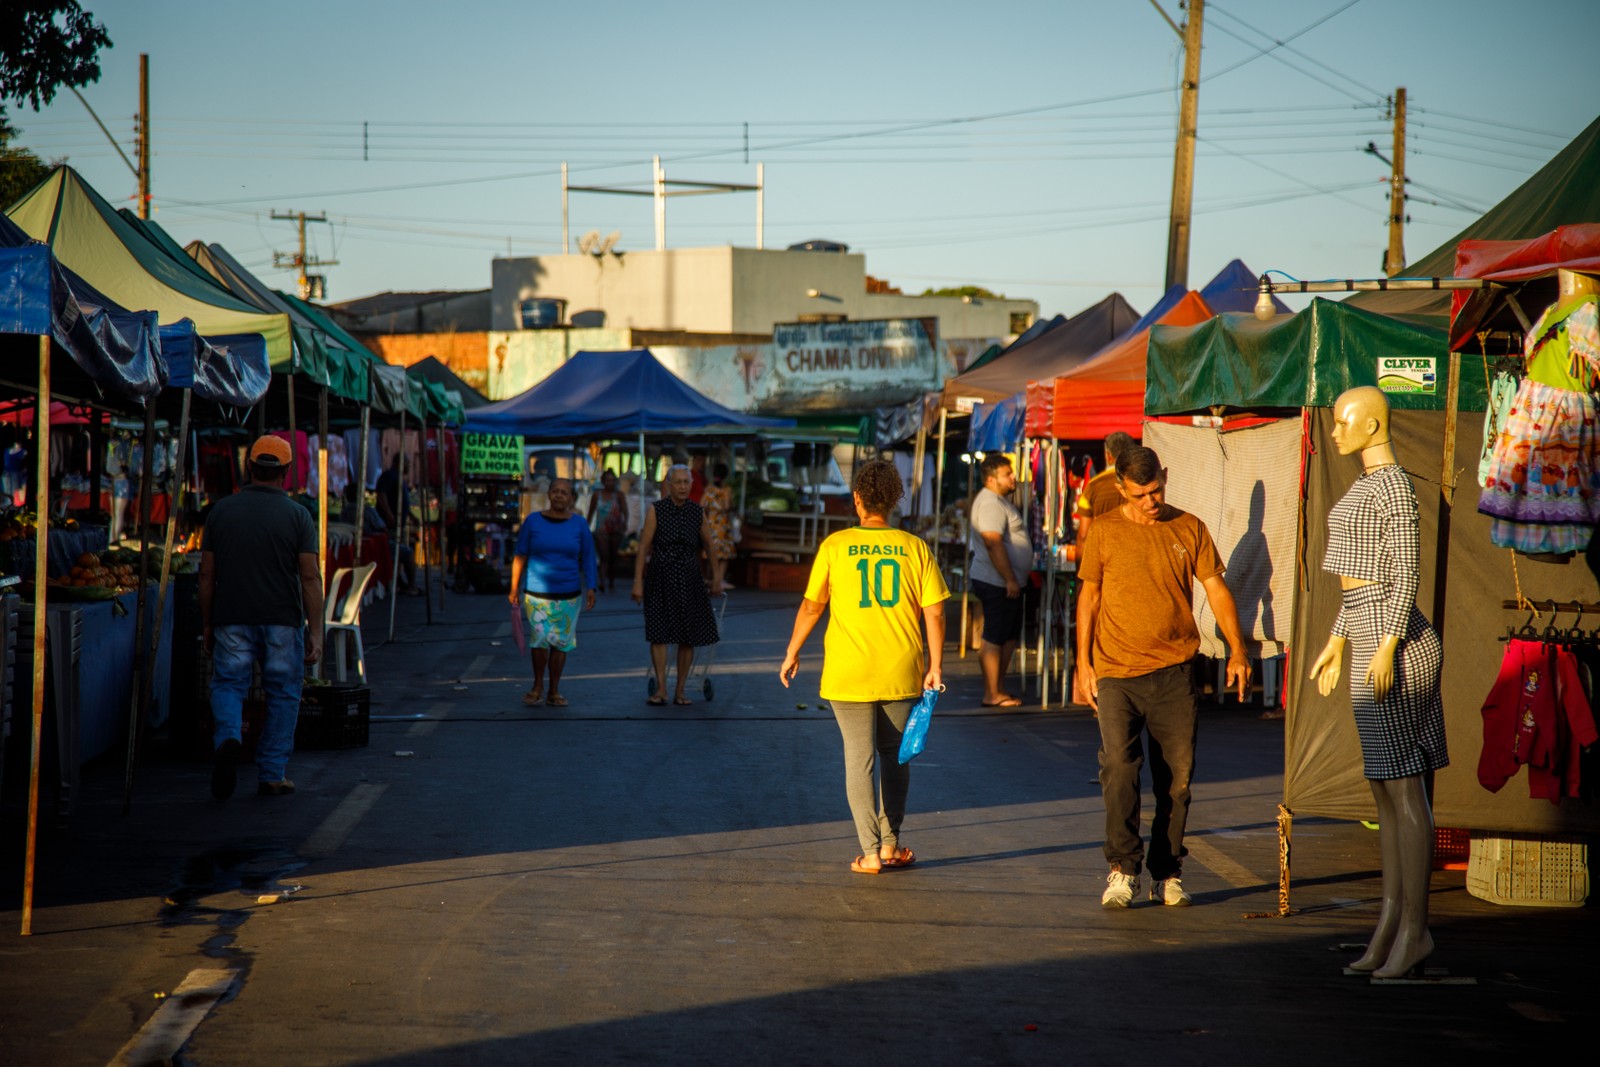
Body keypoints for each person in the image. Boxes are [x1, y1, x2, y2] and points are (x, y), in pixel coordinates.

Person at [1309, 386, 1447, 978]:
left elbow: (1406, 570)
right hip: (1367, 635)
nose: (1335, 432)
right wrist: (1340, 639)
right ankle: (1391, 922)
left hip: (1395, 643)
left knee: (1404, 788)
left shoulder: (1394, 487)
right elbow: (1360, 583)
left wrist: (1387, 641)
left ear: (1371, 425)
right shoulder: (1368, 486)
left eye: (1344, 422)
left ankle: (1414, 930)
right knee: (1383, 790)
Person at [1077, 444, 1250, 908]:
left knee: (1177, 780)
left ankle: (1166, 872)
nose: (1150, 501)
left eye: (1156, 490)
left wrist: (1237, 650)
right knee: (1119, 769)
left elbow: (1216, 589)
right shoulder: (1105, 531)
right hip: (1117, 673)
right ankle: (1122, 869)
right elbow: (1089, 597)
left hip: (1174, 673)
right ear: (1121, 489)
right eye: (1139, 495)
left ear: (1165, 477)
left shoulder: (1189, 527)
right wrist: (1082, 663)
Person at [780, 459, 948, 874]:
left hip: (847, 670)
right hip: (900, 669)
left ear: (857, 500)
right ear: (895, 501)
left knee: (859, 759)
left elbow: (811, 605)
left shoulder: (835, 547)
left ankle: (869, 853)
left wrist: (792, 651)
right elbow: (936, 613)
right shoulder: (915, 548)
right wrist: (936, 665)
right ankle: (891, 845)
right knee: (896, 757)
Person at [199, 435, 325, 799]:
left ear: (249, 467)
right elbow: (309, 577)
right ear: (286, 472)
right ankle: (271, 774)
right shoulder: (298, 516)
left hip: (232, 617)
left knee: (228, 685)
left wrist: (208, 622)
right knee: (283, 694)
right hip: (282, 621)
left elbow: (207, 575)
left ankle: (228, 738)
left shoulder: (221, 511)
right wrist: (316, 630)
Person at [633, 464, 721, 705]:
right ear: (669, 485)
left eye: (686, 482)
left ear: (691, 485)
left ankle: (680, 690)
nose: (683, 486)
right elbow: (643, 548)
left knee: (687, 636)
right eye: (678, 482)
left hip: (689, 578)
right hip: (660, 576)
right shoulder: (657, 510)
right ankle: (661, 688)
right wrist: (637, 583)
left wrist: (717, 577)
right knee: (659, 634)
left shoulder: (696, 511)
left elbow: (711, 546)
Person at [510, 477, 598, 708]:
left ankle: (554, 689)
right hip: (536, 593)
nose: (560, 495)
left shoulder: (579, 525)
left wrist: (591, 587)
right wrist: (513, 588)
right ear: (549, 494)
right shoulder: (532, 521)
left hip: (569, 594)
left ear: (571, 498)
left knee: (561, 643)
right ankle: (537, 685)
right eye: (556, 491)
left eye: (565, 492)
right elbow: (520, 555)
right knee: (539, 641)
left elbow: (588, 558)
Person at [969, 453, 1031, 707]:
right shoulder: (991, 503)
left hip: (1004, 580)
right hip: (997, 581)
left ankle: (999, 688)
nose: (1013, 477)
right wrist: (1009, 579)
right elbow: (993, 542)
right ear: (992, 479)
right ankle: (992, 692)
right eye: (1007, 474)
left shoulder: (998, 501)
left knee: (1007, 635)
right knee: (995, 634)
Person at [1074, 431, 1136, 547]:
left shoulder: (1093, 486)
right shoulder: (1142, 483)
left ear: (1108, 456)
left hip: (1104, 558)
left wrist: (1080, 564)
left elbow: (1083, 536)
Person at [375, 453, 422, 596]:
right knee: (400, 553)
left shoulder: (399, 479)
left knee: (398, 555)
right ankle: (409, 585)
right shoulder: (389, 476)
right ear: (399, 463)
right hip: (389, 525)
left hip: (398, 524)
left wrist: (412, 517)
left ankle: (400, 582)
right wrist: (389, 513)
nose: (409, 466)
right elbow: (381, 495)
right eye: (407, 463)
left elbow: (402, 502)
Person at [586, 469, 630, 593]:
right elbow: (591, 512)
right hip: (602, 530)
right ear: (603, 481)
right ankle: (602, 581)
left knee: (613, 557)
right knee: (604, 555)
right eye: (607, 480)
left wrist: (625, 523)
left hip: (616, 529)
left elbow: (625, 511)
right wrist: (586, 528)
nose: (610, 483)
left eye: (612, 480)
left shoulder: (619, 495)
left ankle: (611, 581)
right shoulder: (597, 495)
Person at [701, 462, 736, 592]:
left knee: (712, 552)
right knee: (724, 554)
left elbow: (702, 504)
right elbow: (727, 506)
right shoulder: (726, 490)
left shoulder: (709, 489)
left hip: (711, 523)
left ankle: (713, 579)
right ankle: (719, 579)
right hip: (722, 524)